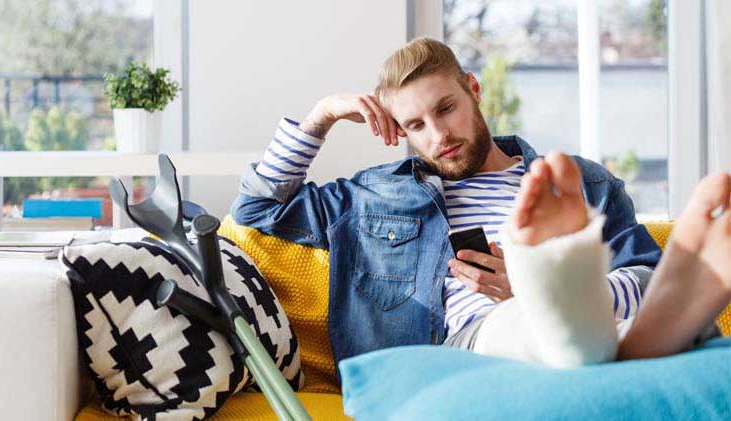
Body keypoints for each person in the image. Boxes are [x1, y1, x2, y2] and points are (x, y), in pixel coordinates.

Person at [231, 37, 662, 371]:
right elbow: (258, 209)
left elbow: (648, 281)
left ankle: (580, 323)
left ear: (473, 89)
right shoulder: (373, 197)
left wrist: (540, 289)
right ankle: (572, 323)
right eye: (416, 125)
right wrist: (320, 116)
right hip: (457, 358)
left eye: (446, 108)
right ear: (400, 131)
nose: (439, 136)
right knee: (533, 328)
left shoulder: (581, 182)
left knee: (646, 336)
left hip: (583, 339)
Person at [488, 151, 730, 365]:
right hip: (477, 330)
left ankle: (580, 317)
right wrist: (537, 291)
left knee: (600, 316)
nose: (447, 136)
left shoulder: (586, 180)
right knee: (512, 325)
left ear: (476, 96)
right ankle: (633, 338)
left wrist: (562, 288)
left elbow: (639, 266)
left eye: (448, 108)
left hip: (609, 314)